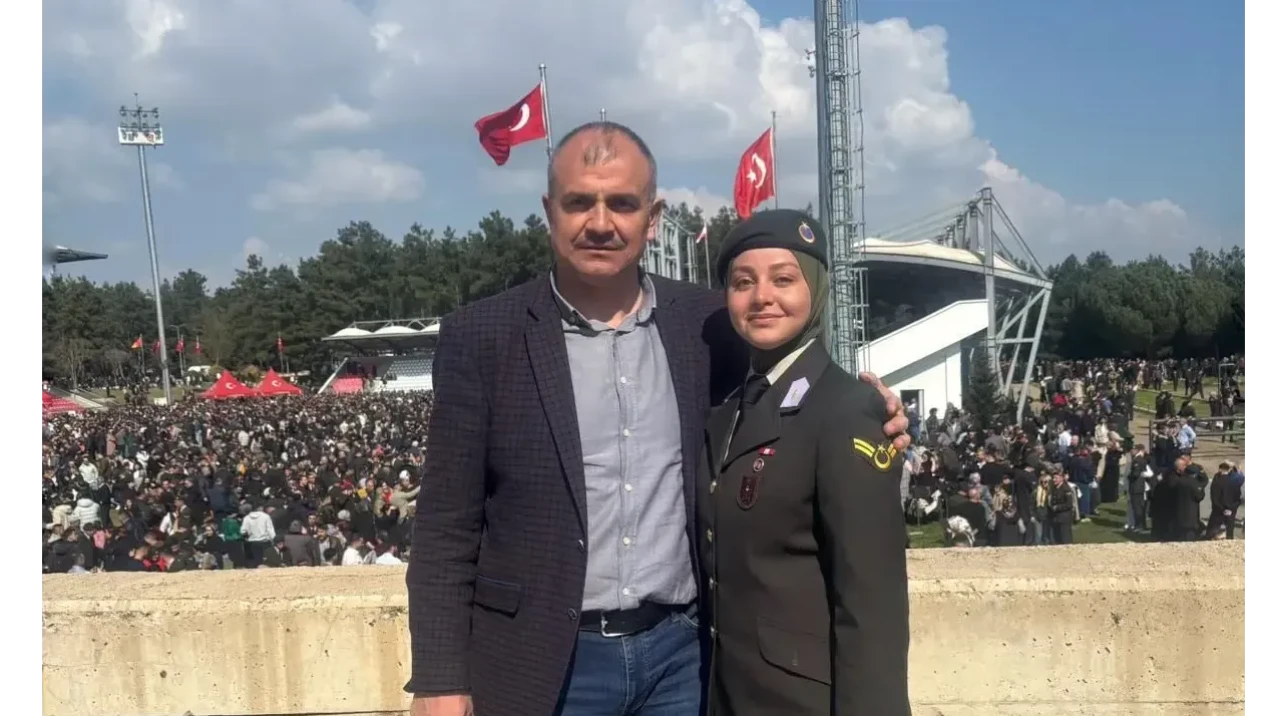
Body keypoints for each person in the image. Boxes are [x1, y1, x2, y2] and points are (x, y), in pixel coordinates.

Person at [405, 121, 911, 716]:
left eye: (622, 203)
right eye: (579, 202)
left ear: (652, 217)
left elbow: (795, 393)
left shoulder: (709, 324)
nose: (600, 223)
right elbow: (446, 524)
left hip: (685, 659)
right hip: (546, 660)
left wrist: (872, 414)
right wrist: (439, 678)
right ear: (549, 212)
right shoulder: (483, 336)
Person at [697, 209, 910, 716]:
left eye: (783, 279)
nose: (761, 297)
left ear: (815, 287)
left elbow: (871, 601)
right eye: (743, 282)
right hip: (729, 693)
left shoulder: (847, 408)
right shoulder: (729, 412)